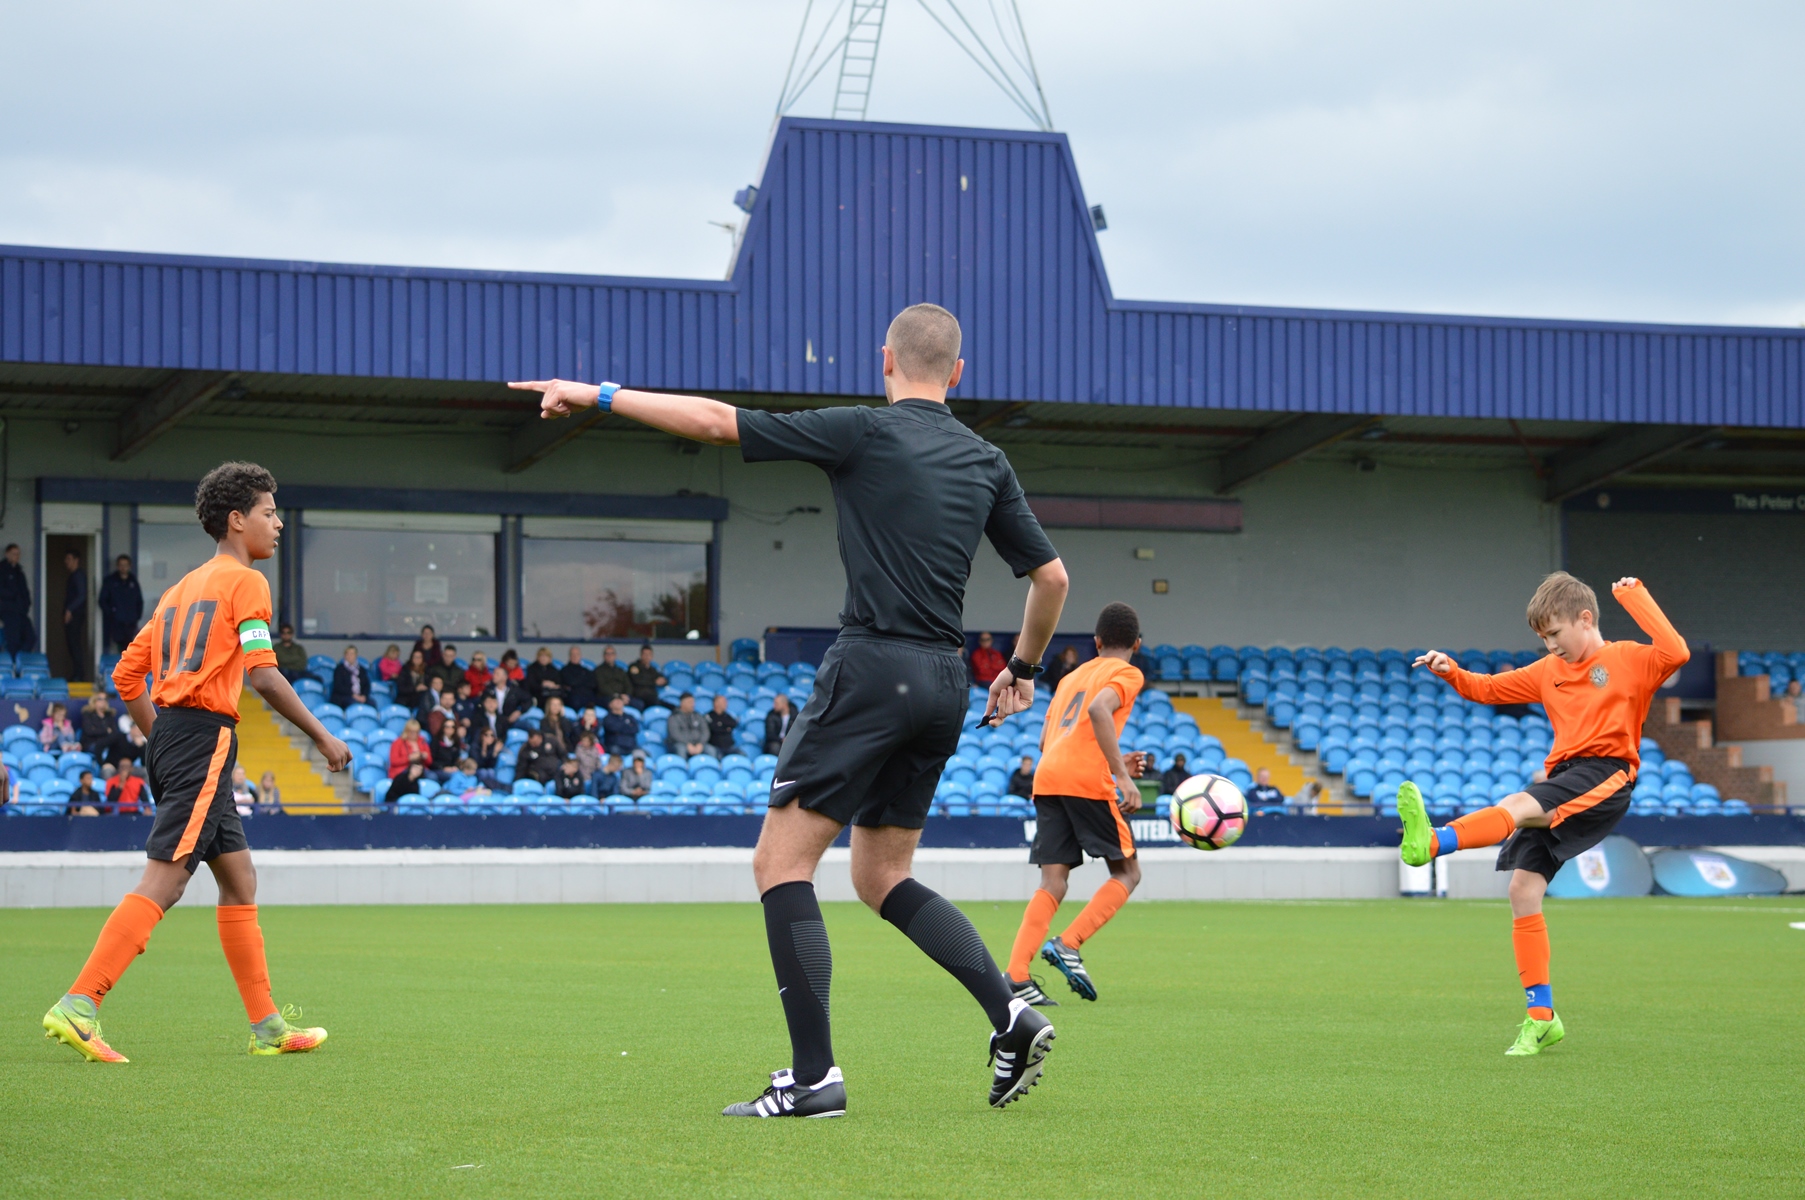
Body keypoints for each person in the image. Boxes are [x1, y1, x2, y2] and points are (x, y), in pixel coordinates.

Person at [514, 300, 1069, 1116]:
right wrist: (1020, 668)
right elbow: (1051, 579)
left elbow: (711, 421)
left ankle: (814, 1080)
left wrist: (598, 395)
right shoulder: (986, 460)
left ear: (885, 361)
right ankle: (1009, 1013)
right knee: (882, 876)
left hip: (873, 667)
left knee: (780, 864)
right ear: (957, 373)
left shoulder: (863, 430)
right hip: (946, 680)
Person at [41, 461, 346, 1064]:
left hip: (178, 739)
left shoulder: (181, 589)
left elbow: (128, 676)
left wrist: (158, 742)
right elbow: (262, 674)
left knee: (239, 879)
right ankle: (79, 1002)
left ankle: (267, 1027)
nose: (278, 524)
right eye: (268, 513)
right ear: (237, 520)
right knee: (168, 879)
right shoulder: (247, 583)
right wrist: (321, 735)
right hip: (203, 739)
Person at [1397, 572, 1689, 1057]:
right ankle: (1541, 1018)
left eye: (1554, 634)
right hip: (1565, 775)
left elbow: (1676, 651)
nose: (1550, 645)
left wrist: (1632, 595)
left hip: (1607, 774)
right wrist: (1449, 670)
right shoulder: (1547, 670)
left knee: (1517, 806)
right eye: (1543, 638)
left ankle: (1435, 843)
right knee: (1523, 889)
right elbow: (1487, 689)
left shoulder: (1629, 660)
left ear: (1585, 619)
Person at [1005, 603, 1148, 1008]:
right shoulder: (1128, 672)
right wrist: (1121, 775)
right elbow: (1099, 710)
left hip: (1049, 778)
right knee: (1128, 871)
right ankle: (1068, 944)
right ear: (1136, 644)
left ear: (1097, 642)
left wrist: (1117, 760)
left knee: (1053, 881)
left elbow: (1046, 742)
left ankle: (1016, 975)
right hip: (1086, 781)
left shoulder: (1071, 677)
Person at [98, 554, 145, 654]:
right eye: (121, 565)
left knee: (131, 650)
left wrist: (136, 616)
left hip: (131, 623)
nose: (123, 567)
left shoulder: (133, 581)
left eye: (125, 565)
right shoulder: (110, 581)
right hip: (116, 624)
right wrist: (112, 614)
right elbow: (102, 600)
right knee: (117, 650)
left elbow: (139, 601)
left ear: (130, 566)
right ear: (117, 566)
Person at [0, 542, 32, 654]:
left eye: (18, 554)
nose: (16, 556)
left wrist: (26, 604)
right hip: (8, 610)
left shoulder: (19, 571)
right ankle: (12, 667)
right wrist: (14, 595)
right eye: (14, 554)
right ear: (7, 554)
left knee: (30, 637)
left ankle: (19, 661)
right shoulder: (2, 569)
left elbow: (25, 592)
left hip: (21, 611)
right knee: (13, 641)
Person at [63, 549, 89, 682]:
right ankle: (77, 673)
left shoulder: (78, 576)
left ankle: (79, 675)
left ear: (76, 560)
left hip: (76, 616)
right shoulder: (73, 576)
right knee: (72, 644)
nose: (66, 562)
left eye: (69, 559)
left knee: (75, 644)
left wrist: (69, 610)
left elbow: (82, 595)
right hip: (74, 615)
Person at [706, 693, 739, 758]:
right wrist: (726, 728)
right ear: (716, 703)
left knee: (742, 756)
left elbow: (734, 724)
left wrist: (721, 725)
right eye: (723, 702)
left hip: (729, 746)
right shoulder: (709, 716)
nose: (726, 704)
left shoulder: (727, 715)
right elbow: (714, 728)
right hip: (715, 746)